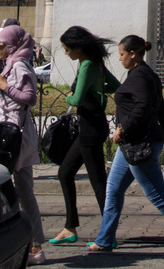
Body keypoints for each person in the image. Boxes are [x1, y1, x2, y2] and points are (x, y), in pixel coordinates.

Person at [88, 35, 164, 256]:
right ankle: (105, 239)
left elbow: (144, 107)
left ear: (133, 53)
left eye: (121, 54)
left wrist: (123, 129)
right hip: (133, 144)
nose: (119, 59)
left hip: (140, 142)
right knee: (113, 189)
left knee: (156, 193)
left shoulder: (139, 76)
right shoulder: (145, 74)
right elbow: (163, 109)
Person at [0, 25, 45, 265]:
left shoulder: (21, 65)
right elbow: (10, 102)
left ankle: (32, 246)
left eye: (1, 45)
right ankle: (28, 244)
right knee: (17, 190)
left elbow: (30, 98)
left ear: (12, 45)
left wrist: (5, 87)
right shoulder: (11, 64)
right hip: (8, 131)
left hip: (15, 136)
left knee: (17, 190)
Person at [50, 26, 120, 246]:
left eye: (67, 49)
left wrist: (68, 98)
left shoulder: (88, 65)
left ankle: (108, 235)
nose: (66, 53)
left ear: (78, 47)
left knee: (98, 181)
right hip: (91, 126)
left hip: (91, 127)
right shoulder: (92, 64)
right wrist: (97, 89)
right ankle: (70, 227)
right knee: (65, 173)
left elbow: (77, 99)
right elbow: (114, 85)